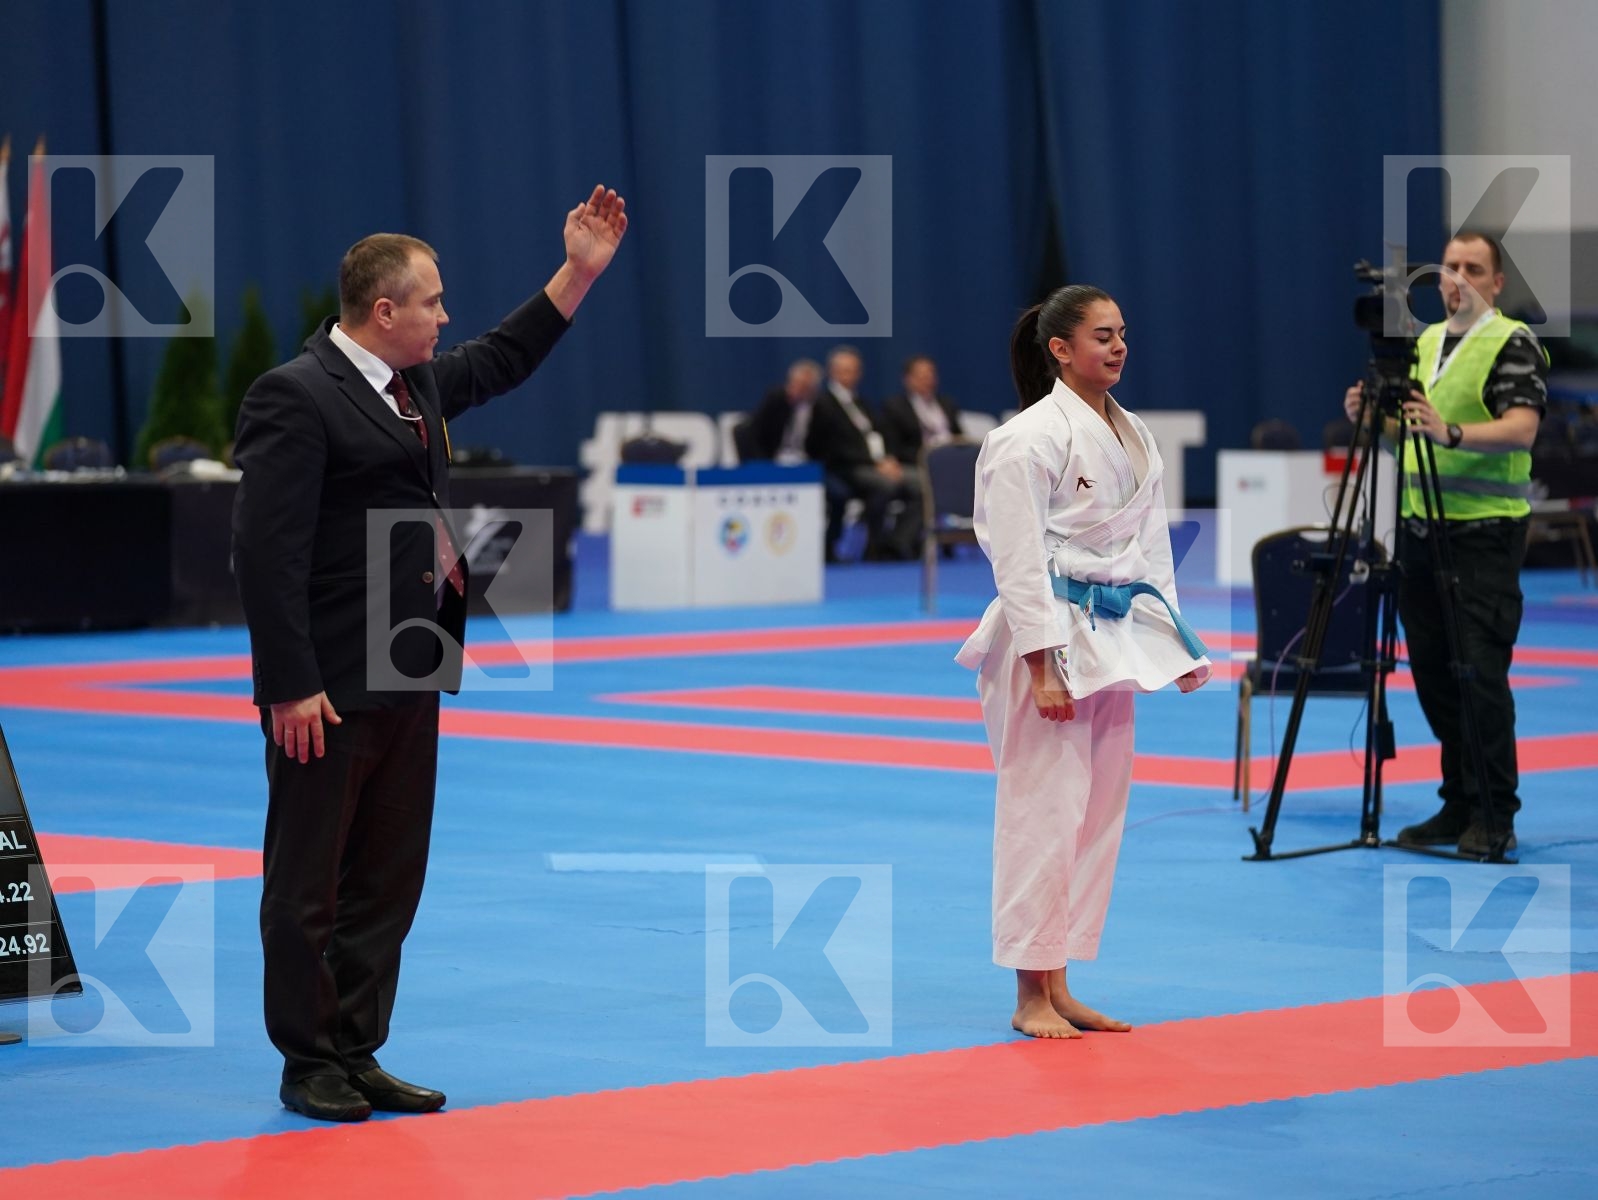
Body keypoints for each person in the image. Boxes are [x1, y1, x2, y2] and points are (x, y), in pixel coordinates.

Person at [232, 186, 627, 1122]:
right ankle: (307, 1060)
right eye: (433, 303)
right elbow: (264, 551)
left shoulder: (415, 385)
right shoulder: (294, 394)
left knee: (388, 872)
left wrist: (576, 274)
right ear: (384, 311)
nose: (446, 318)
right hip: (325, 679)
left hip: (410, 660)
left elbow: (504, 356)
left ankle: (358, 1048)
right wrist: (287, 684)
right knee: (309, 878)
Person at [956, 285, 1210, 1038]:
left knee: (1095, 813)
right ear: (1060, 350)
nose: (1119, 346)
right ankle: (1027, 994)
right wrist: (1042, 662)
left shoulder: (1135, 434)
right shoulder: (1024, 439)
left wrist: (1175, 641)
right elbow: (1019, 560)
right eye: (1103, 335)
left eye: (1123, 333)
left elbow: (1148, 552)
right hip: (1047, 636)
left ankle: (1059, 982)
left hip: (1109, 635)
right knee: (1042, 810)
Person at [1342, 230, 1545, 856]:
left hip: (1483, 534)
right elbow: (1410, 437)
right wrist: (1371, 419)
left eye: (1472, 268)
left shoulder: (1511, 341)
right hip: (1418, 529)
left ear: (1495, 282)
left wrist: (1450, 430)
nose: (1457, 277)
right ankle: (1457, 802)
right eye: (1450, 266)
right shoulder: (1424, 342)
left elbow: (1522, 429)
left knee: (1479, 672)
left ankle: (1494, 813)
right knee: (1431, 671)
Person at [806, 345, 923, 560]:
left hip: (877, 465)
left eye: (854, 370)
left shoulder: (861, 403)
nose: (850, 375)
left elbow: (881, 433)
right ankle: (873, 545)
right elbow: (831, 447)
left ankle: (897, 543)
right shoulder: (824, 404)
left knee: (922, 485)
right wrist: (874, 463)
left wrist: (889, 459)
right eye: (844, 370)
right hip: (846, 467)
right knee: (885, 486)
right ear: (833, 371)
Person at [879, 355, 964, 464]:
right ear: (907, 379)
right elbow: (895, 447)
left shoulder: (947, 403)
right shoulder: (895, 407)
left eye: (930, 375)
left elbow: (960, 437)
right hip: (919, 463)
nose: (927, 380)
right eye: (921, 376)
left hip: (952, 459)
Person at [743, 358, 823, 464]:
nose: (797, 390)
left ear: (813, 389)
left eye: (804, 387)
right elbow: (756, 434)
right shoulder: (776, 399)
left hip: (806, 461)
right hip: (775, 459)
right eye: (795, 384)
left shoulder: (820, 408)